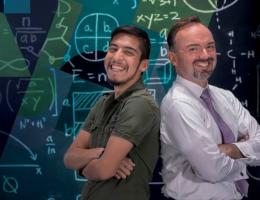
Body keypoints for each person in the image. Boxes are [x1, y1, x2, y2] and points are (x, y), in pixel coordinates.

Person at [160, 16, 260, 200]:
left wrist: (229, 150)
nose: (205, 55)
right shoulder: (178, 104)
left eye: (210, 46)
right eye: (193, 49)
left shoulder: (225, 96)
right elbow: (212, 170)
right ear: (173, 58)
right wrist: (246, 151)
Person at [64, 25, 160, 200]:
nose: (117, 57)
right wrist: (100, 154)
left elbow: (103, 170)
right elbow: (69, 157)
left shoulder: (140, 104)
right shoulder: (103, 102)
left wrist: (85, 164)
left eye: (128, 52)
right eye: (113, 49)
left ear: (143, 65)